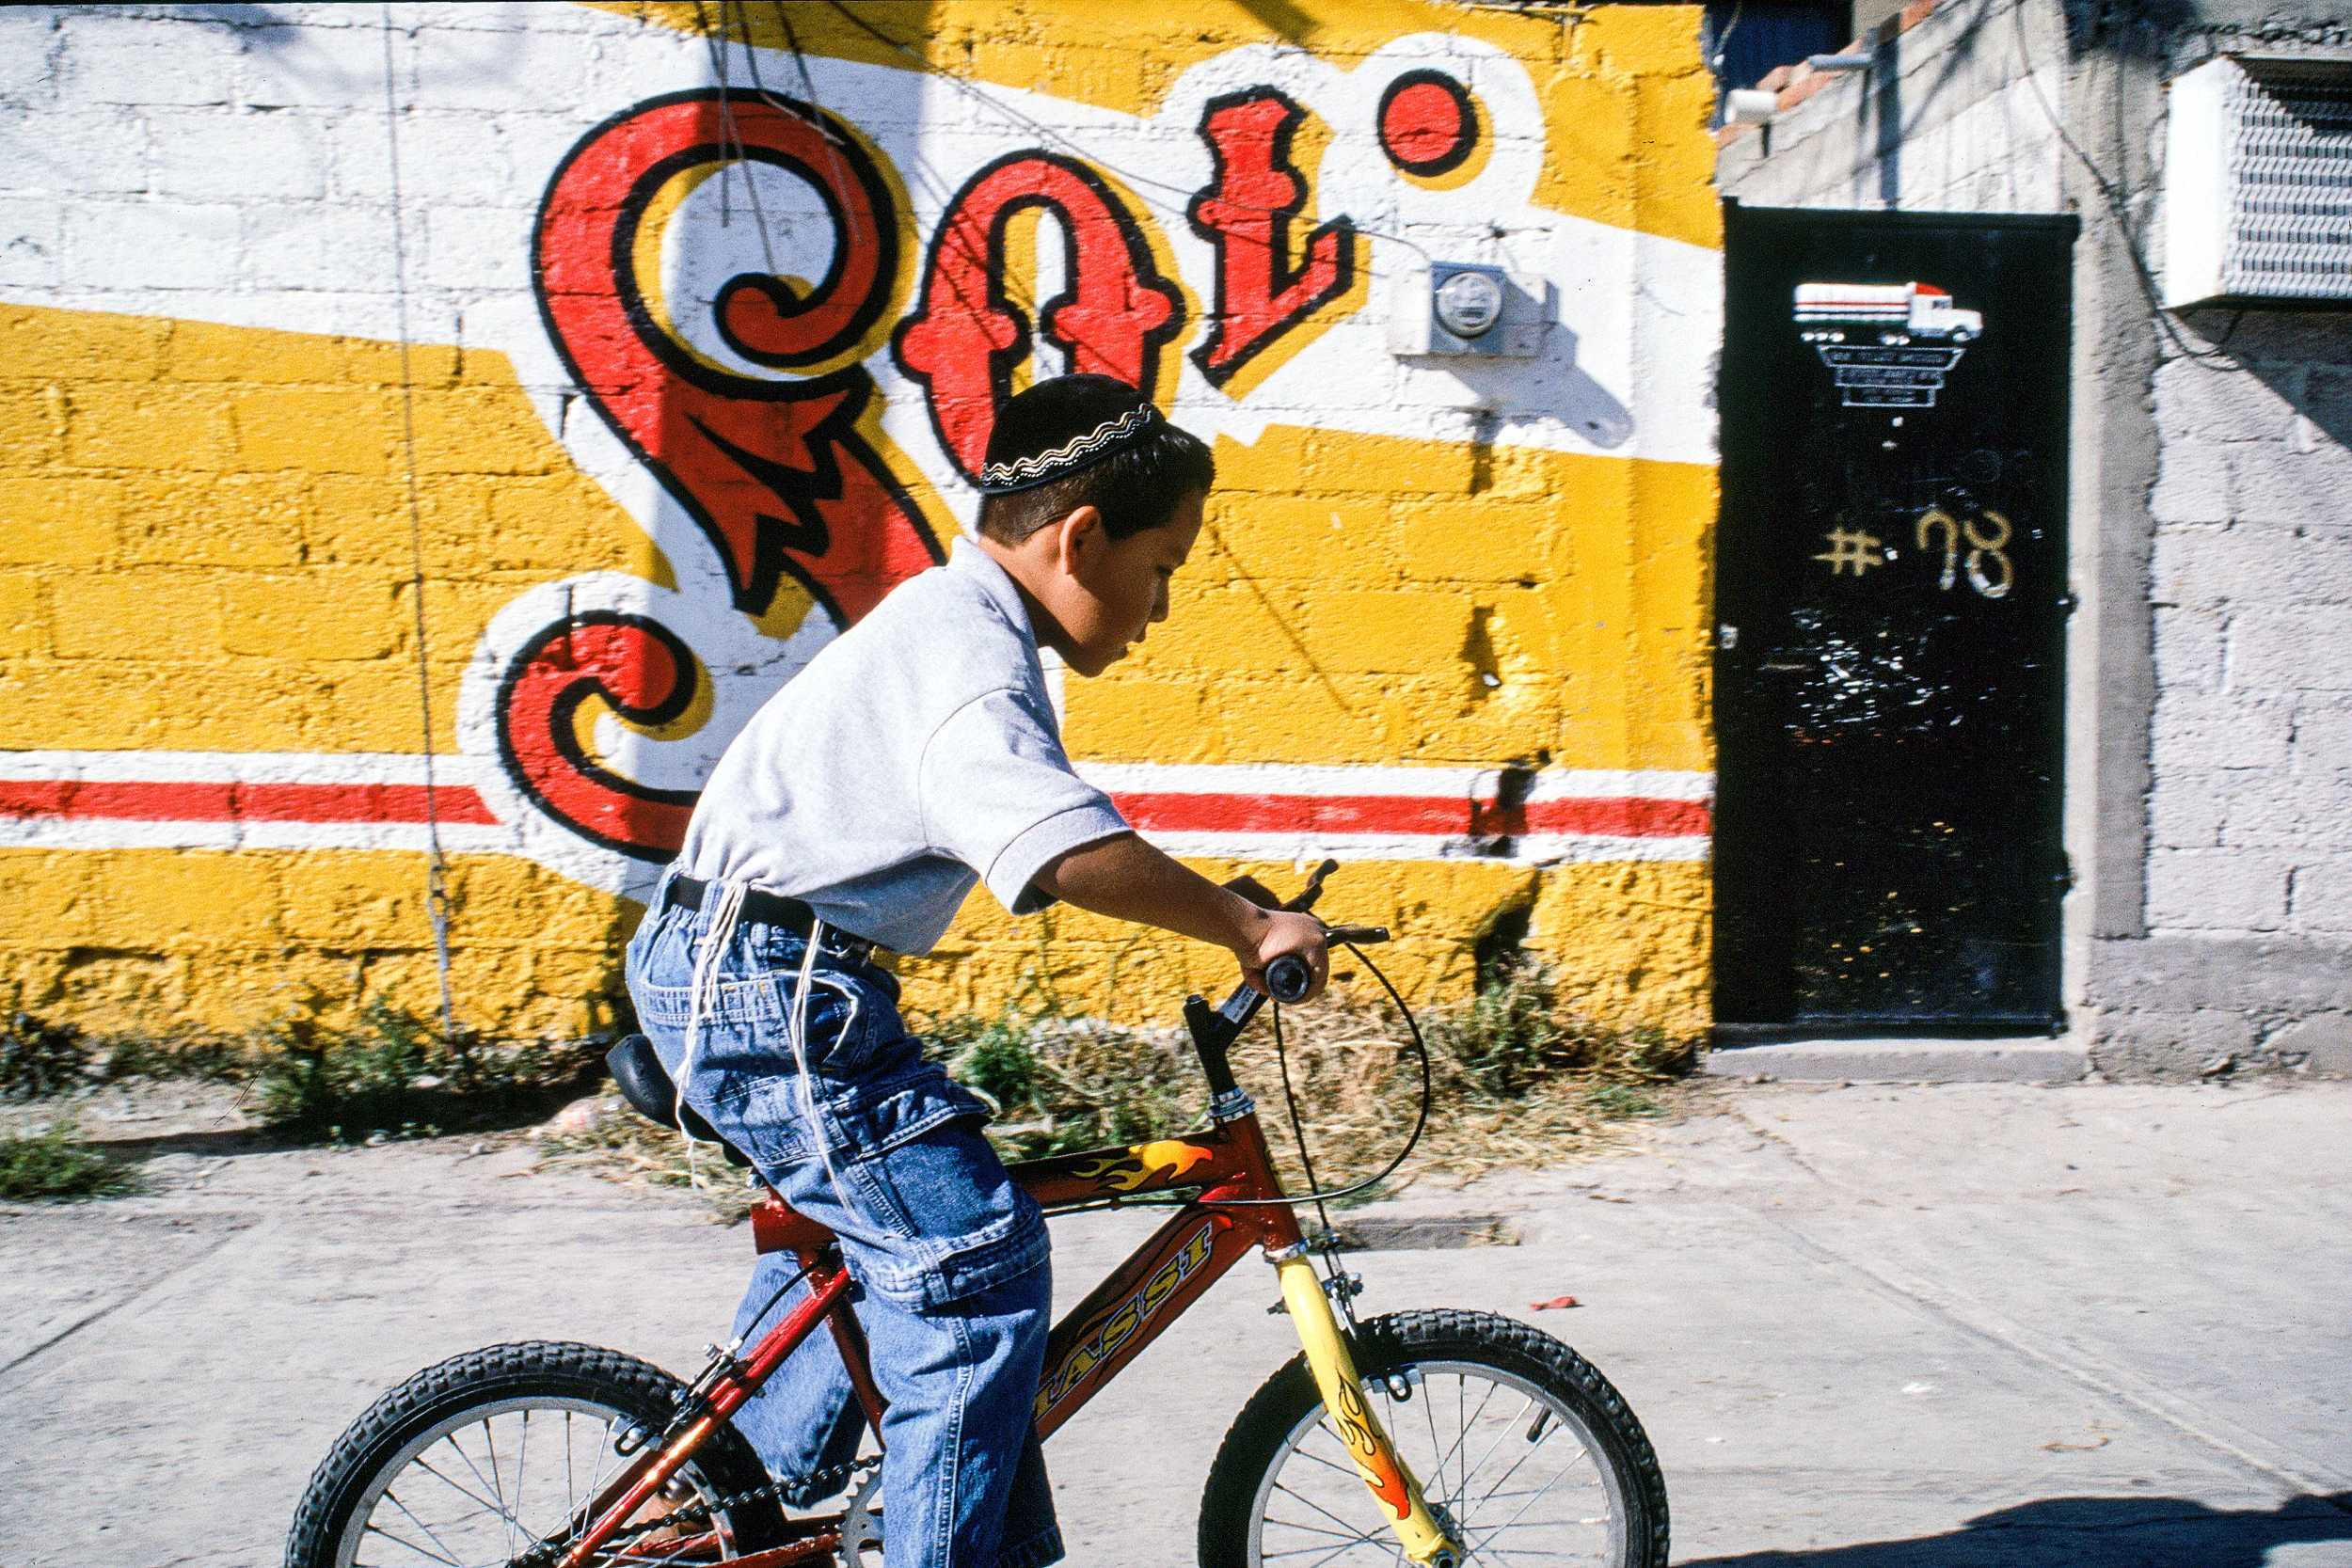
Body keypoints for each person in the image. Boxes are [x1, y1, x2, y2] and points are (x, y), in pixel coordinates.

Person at [625, 373, 1330, 1568]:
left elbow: (1055, 825)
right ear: (1081, 538)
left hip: (757, 977)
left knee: (890, 1228)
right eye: (1162, 566)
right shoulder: (969, 657)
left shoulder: (958, 626)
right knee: (972, 1261)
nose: (1161, 604)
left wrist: (1231, 906)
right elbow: (1057, 847)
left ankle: (719, 1500)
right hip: (770, 988)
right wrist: (1240, 926)